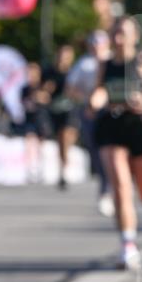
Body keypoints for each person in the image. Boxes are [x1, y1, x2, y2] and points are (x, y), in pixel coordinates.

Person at [90, 16, 142, 269]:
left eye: (124, 33)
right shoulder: (105, 63)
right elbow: (100, 90)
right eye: (115, 33)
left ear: (134, 37)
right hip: (112, 126)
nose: (119, 39)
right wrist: (95, 100)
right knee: (120, 185)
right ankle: (127, 245)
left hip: (139, 128)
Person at [66, 31, 114, 216]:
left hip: (114, 111)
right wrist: (87, 99)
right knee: (99, 153)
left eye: (100, 43)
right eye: (93, 43)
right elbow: (70, 88)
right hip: (91, 112)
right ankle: (105, 191)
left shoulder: (114, 60)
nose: (96, 46)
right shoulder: (83, 64)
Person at [41, 45, 79, 190]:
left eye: (67, 56)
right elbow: (43, 92)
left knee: (67, 137)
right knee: (61, 140)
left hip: (70, 110)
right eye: (62, 55)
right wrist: (46, 90)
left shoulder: (74, 72)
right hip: (55, 111)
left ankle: (65, 166)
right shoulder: (49, 72)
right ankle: (63, 169)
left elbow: (80, 91)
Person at [20, 61, 50, 182]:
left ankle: (41, 169)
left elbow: (46, 99)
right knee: (29, 143)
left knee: (41, 145)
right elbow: (23, 103)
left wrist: (39, 96)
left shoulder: (42, 86)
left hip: (41, 119)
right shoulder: (25, 89)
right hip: (29, 119)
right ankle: (30, 169)